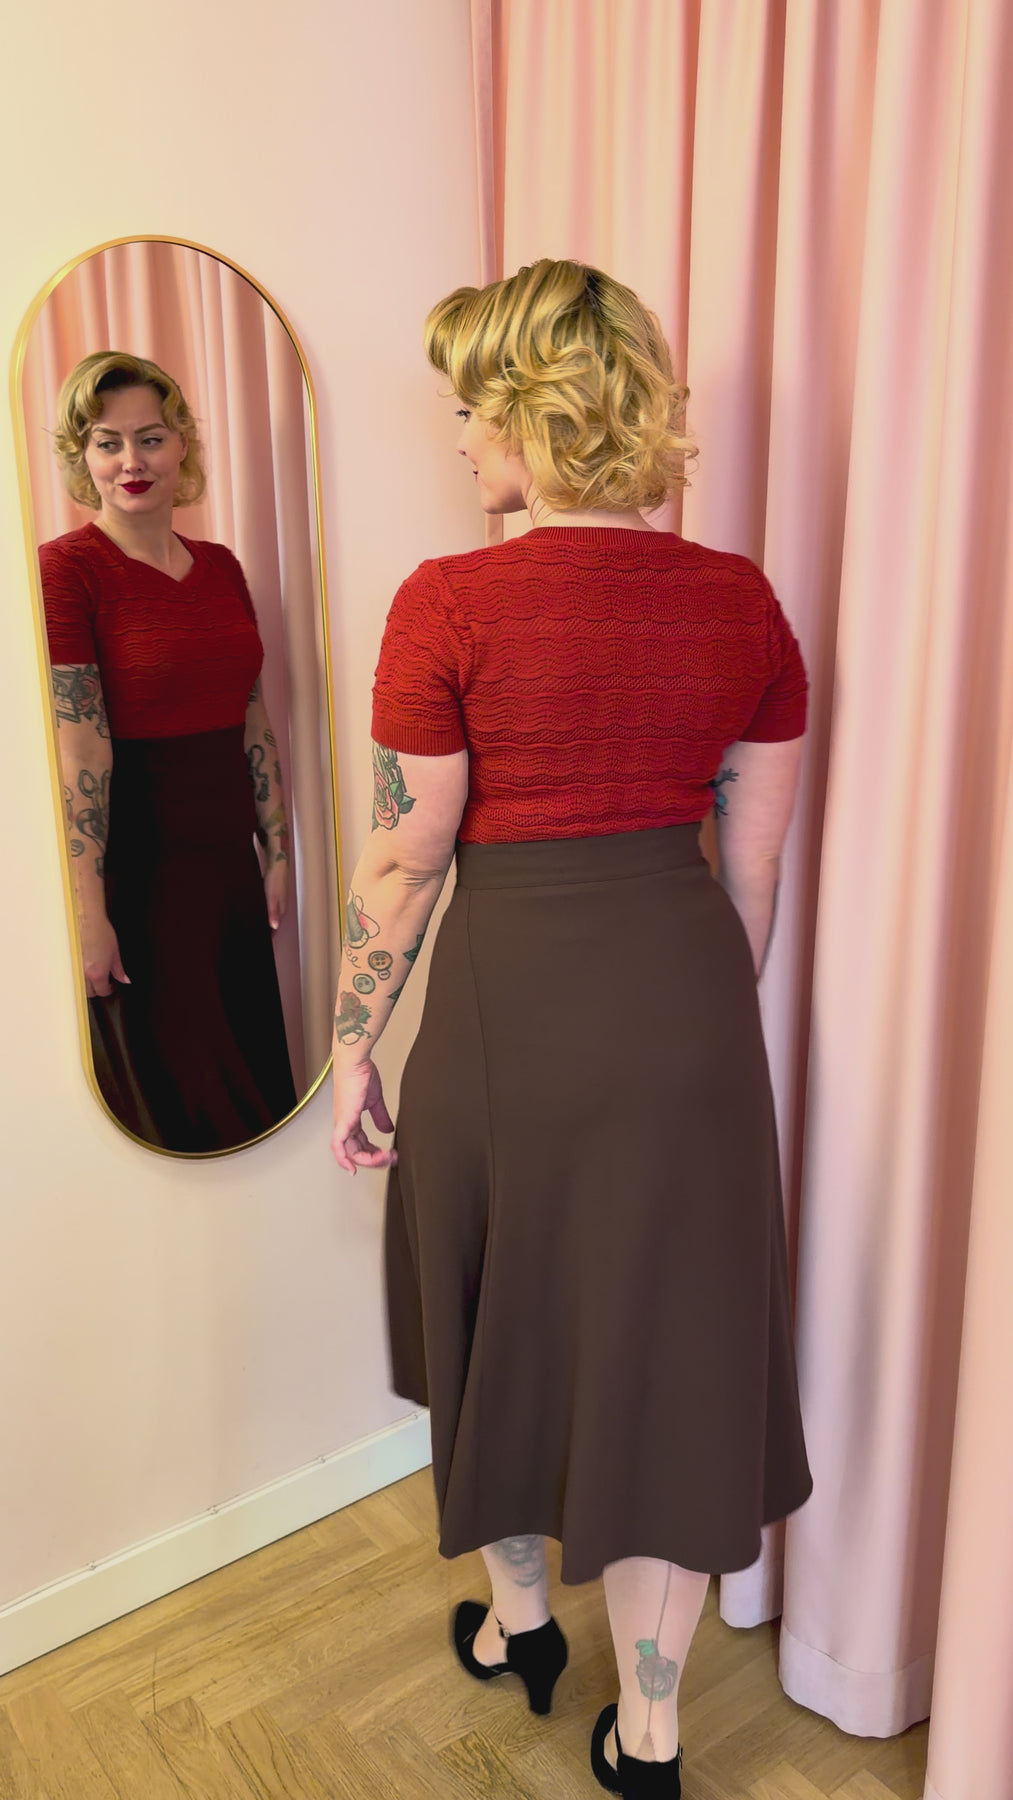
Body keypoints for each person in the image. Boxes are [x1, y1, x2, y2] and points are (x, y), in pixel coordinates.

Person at [330, 260, 812, 1799]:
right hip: (684, 1015)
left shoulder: (448, 602)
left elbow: (407, 864)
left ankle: (522, 1628)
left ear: (533, 414)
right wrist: (695, 1038)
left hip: (508, 1017)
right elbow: (752, 876)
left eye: (470, 407)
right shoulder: (742, 602)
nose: (460, 437)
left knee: (512, 1326)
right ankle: (650, 1733)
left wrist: (349, 1045)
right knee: (665, 1358)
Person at [41, 350, 297, 1153]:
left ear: (182, 442)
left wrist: (278, 850)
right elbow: (79, 753)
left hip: (225, 868)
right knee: (178, 1111)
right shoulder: (64, 571)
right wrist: (87, 913)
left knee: (254, 1098)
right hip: (138, 873)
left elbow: (253, 717)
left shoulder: (221, 567)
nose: (131, 462)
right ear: (83, 456)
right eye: (107, 443)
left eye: (149, 438)